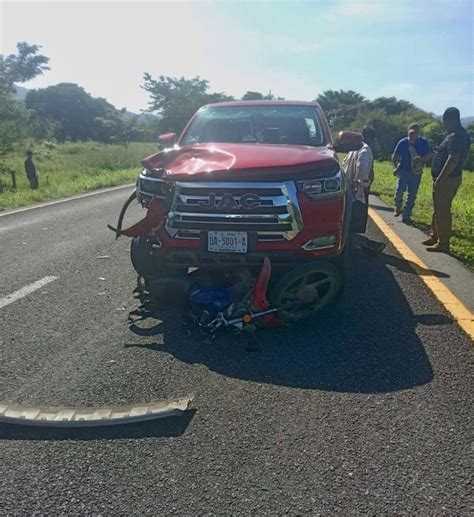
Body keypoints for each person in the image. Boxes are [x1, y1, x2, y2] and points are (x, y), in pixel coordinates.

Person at [423, 107, 471, 253]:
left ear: (452, 120)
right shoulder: (453, 135)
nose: (444, 124)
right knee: (438, 209)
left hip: (447, 179)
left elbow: (453, 159)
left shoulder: (457, 136)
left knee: (442, 210)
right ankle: (434, 236)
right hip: (445, 178)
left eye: (445, 121)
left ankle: (443, 243)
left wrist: (440, 178)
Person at [343, 126, 385, 254]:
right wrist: (365, 183)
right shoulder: (366, 150)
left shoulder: (354, 149)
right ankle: (354, 245)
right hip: (358, 189)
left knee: (349, 217)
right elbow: (362, 167)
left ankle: (351, 242)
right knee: (357, 218)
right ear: (371, 137)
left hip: (349, 187)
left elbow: (344, 164)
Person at [392, 123, 432, 224]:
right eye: (410, 133)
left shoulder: (423, 142)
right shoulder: (403, 142)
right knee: (399, 191)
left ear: (418, 133)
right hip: (403, 170)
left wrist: (421, 159)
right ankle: (398, 206)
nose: (411, 135)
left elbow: (429, 155)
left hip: (416, 172)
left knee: (412, 195)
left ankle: (406, 215)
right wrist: (395, 167)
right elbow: (394, 156)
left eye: (414, 133)